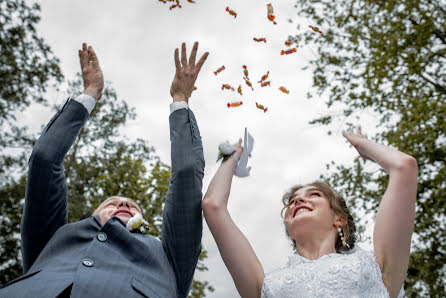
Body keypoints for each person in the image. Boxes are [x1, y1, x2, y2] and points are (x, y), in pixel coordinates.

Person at [0, 41, 209, 298]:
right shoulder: (55, 238)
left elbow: (187, 174)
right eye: (112, 202)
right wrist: (89, 93)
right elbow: (44, 160)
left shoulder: (168, 255)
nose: (123, 202)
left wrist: (180, 99)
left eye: (132, 205)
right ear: (93, 214)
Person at [202, 128, 418, 298]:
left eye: (314, 194)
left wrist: (363, 146)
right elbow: (212, 205)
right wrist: (232, 158)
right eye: (292, 200)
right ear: (290, 231)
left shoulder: (377, 266)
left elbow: (404, 166)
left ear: (339, 219)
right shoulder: (265, 285)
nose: (298, 199)